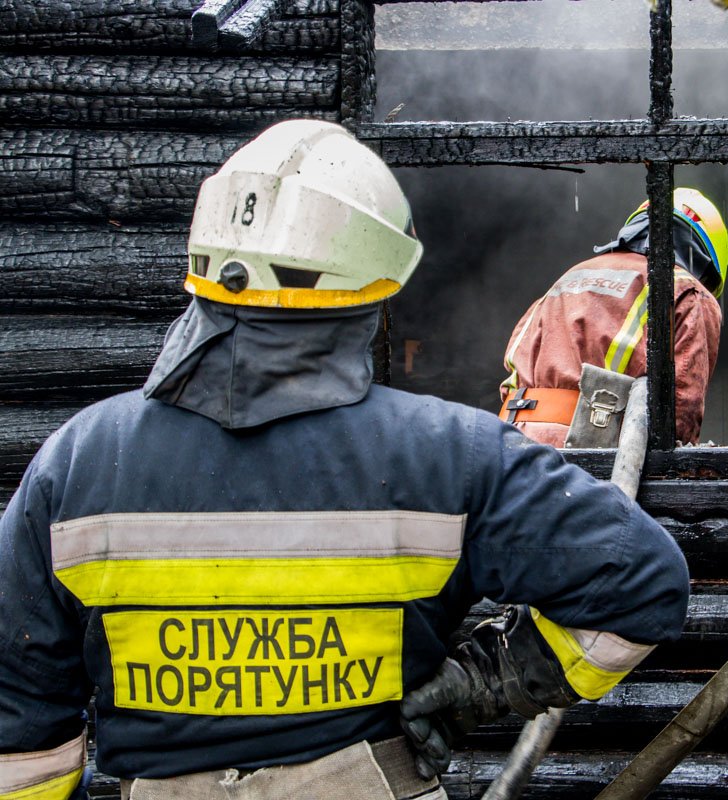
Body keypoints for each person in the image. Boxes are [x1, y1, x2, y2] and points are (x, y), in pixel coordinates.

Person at [0, 120, 690, 800]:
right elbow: (644, 585)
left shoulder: (77, 464)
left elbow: (20, 732)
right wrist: (487, 681)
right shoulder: (448, 454)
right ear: (375, 288)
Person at [499, 188, 728, 447]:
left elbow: (514, 364)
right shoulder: (687, 290)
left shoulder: (571, 275)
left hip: (511, 440)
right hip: (585, 453)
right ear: (707, 262)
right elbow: (678, 412)